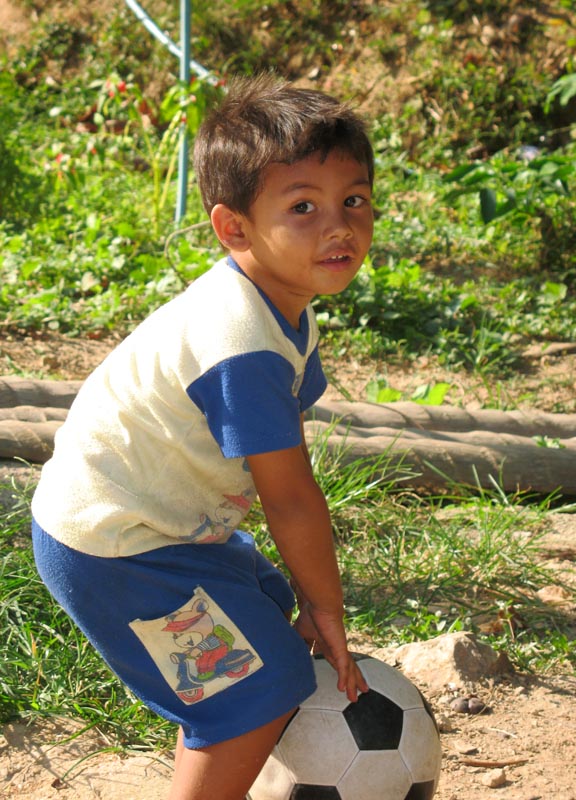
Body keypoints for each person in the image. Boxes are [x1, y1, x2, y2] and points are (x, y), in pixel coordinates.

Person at [31, 73, 375, 800]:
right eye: (303, 207)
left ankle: (216, 733)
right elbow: (289, 496)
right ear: (234, 228)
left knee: (260, 603)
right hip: (117, 545)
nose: (338, 225)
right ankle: (219, 733)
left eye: (353, 200)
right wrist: (329, 607)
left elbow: (286, 453)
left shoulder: (282, 303)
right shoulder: (241, 341)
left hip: (159, 526)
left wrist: (307, 595)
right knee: (264, 684)